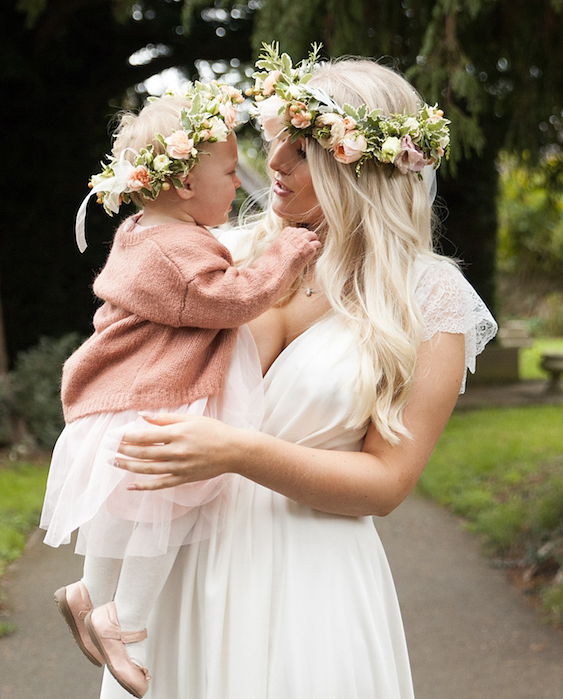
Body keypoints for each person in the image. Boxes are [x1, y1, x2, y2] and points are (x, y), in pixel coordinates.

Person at [104, 44, 498, 699]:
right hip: (182, 566)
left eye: (302, 151)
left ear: (360, 169)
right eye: (275, 143)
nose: (274, 165)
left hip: (311, 584)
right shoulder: (222, 255)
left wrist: (235, 451)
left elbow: (386, 483)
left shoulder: (429, 301)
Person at [40, 79, 321, 698]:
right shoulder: (176, 250)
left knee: (128, 509)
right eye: (229, 170)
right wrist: (287, 254)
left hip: (126, 396)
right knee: (164, 508)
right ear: (185, 185)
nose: (242, 180)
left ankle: (90, 593)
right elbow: (231, 299)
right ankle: (123, 620)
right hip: (151, 396)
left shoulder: (147, 233)